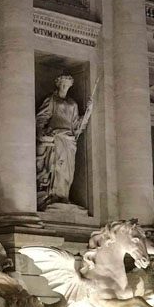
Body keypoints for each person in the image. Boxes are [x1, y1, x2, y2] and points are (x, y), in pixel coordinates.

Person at [36, 75, 92, 209]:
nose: (64, 87)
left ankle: (64, 196)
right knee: (57, 166)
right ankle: (53, 195)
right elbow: (41, 118)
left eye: (67, 85)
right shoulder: (51, 100)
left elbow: (77, 125)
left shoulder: (73, 104)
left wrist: (88, 111)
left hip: (69, 141)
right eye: (62, 84)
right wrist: (41, 133)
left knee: (68, 170)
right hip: (56, 137)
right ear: (58, 84)